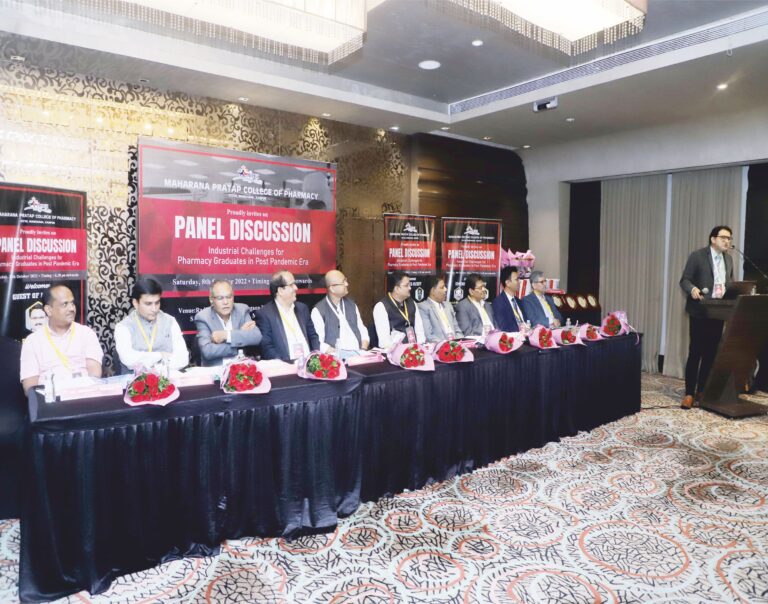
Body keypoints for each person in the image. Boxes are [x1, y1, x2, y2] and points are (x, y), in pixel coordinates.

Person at [679, 225, 735, 409]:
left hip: (718, 312)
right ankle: (689, 393)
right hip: (700, 310)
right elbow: (685, 280)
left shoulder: (729, 260)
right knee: (696, 351)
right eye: (723, 237)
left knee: (711, 353)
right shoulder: (698, 256)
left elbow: (729, 283)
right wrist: (693, 289)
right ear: (713, 239)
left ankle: (701, 390)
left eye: (729, 238)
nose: (727, 241)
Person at [19, 283, 103, 394]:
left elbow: (95, 375)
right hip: (50, 399)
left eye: (72, 303)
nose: (72, 308)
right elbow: (30, 389)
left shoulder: (86, 334)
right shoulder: (32, 341)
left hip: (83, 396)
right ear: (49, 310)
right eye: (65, 304)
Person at [114, 277, 189, 374]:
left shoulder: (170, 321)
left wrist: (149, 364)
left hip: (167, 380)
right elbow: (128, 359)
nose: (154, 309)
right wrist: (160, 355)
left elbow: (183, 359)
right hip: (135, 382)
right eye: (148, 304)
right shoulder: (123, 327)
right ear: (135, 303)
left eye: (157, 303)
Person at [194, 279, 262, 366]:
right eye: (220, 298)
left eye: (229, 297)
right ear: (211, 300)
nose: (225, 302)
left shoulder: (242, 310)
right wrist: (240, 340)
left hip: (243, 367)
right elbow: (207, 351)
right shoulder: (203, 317)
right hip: (217, 369)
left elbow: (256, 337)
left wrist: (226, 335)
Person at [256, 270, 320, 361]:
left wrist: (316, 357)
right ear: (280, 291)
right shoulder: (265, 314)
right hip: (284, 365)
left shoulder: (303, 309)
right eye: (291, 285)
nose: (296, 288)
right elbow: (266, 347)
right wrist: (284, 364)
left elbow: (313, 336)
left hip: (308, 363)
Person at [311, 270, 369, 354]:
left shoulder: (352, 305)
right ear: (332, 288)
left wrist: (363, 350)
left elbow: (362, 329)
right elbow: (318, 342)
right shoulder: (318, 311)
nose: (347, 284)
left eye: (346, 280)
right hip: (335, 358)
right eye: (343, 282)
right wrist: (339, 355)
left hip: (360, 354)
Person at [372, 271, 426, 348]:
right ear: (396, 288)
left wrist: (420, 347)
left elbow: (419, 330)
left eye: (409, 285)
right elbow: (384, 342)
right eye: (406, 285)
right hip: (395, 351)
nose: (410, 288)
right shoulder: (381, 307)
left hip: (415, 349)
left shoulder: (412, 303)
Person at [418, 275, 463, 342]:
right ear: (433, 291)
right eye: (442, 287)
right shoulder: (423, 307)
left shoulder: (448, 305)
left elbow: (457, 330)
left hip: (456, 343)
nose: (446, 289)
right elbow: (429, 335)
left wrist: (460, 342)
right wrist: (446, 344)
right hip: (440, 345)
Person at [492, 265, 528, 332]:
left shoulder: (519, 301)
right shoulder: (498, 302)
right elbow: (502, 327)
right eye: (516, 279)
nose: (519, 282)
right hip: (513, 336)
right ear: (508, 283)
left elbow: (526, 321)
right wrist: (520, 331)